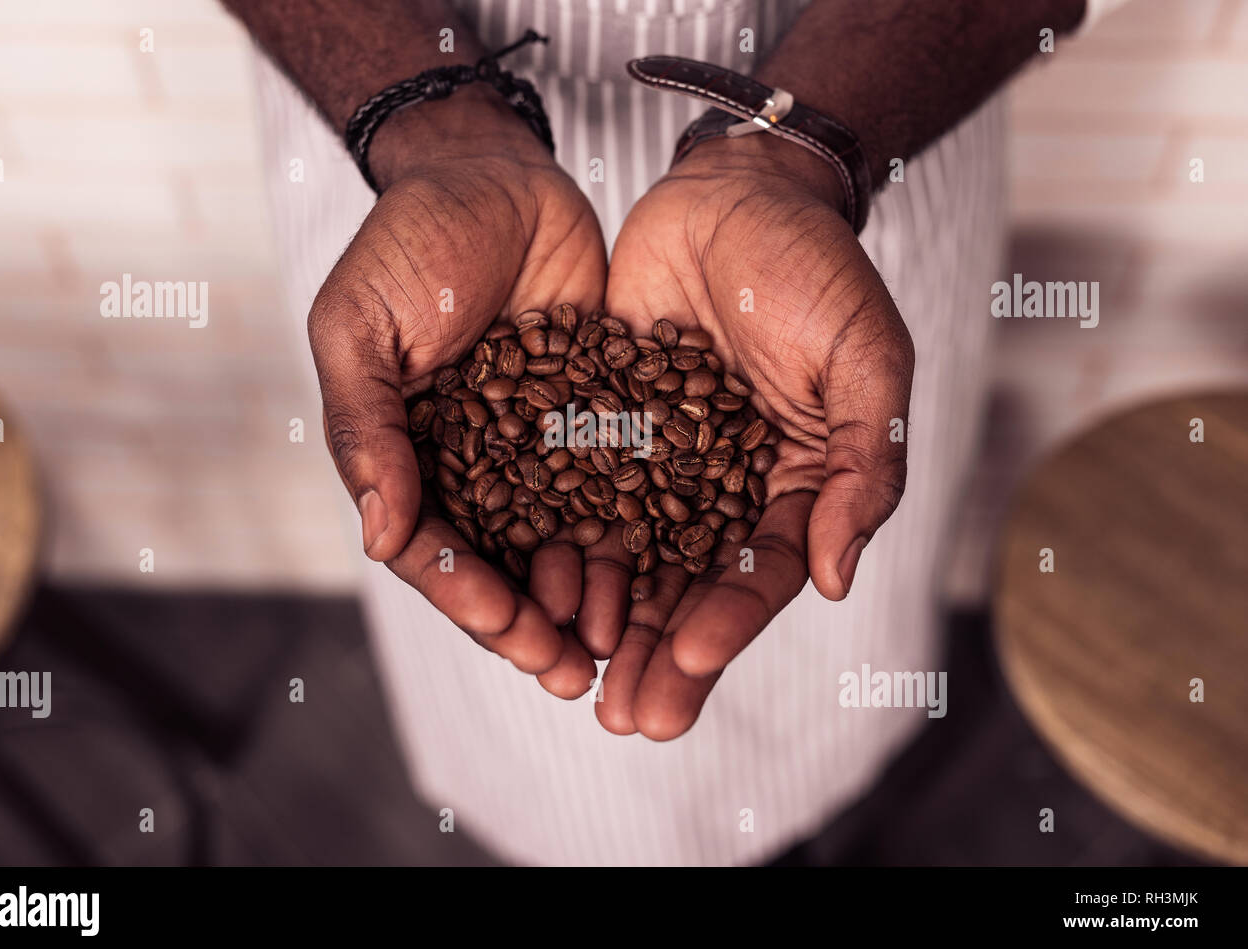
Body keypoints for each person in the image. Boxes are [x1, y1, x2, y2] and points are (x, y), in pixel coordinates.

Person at [223, 0, 1128, 865]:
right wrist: (435, 134)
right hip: (414, 197)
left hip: (857, 158)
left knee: (819, 605)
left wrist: (793, 160)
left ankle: (823, 810)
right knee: (514, 655)